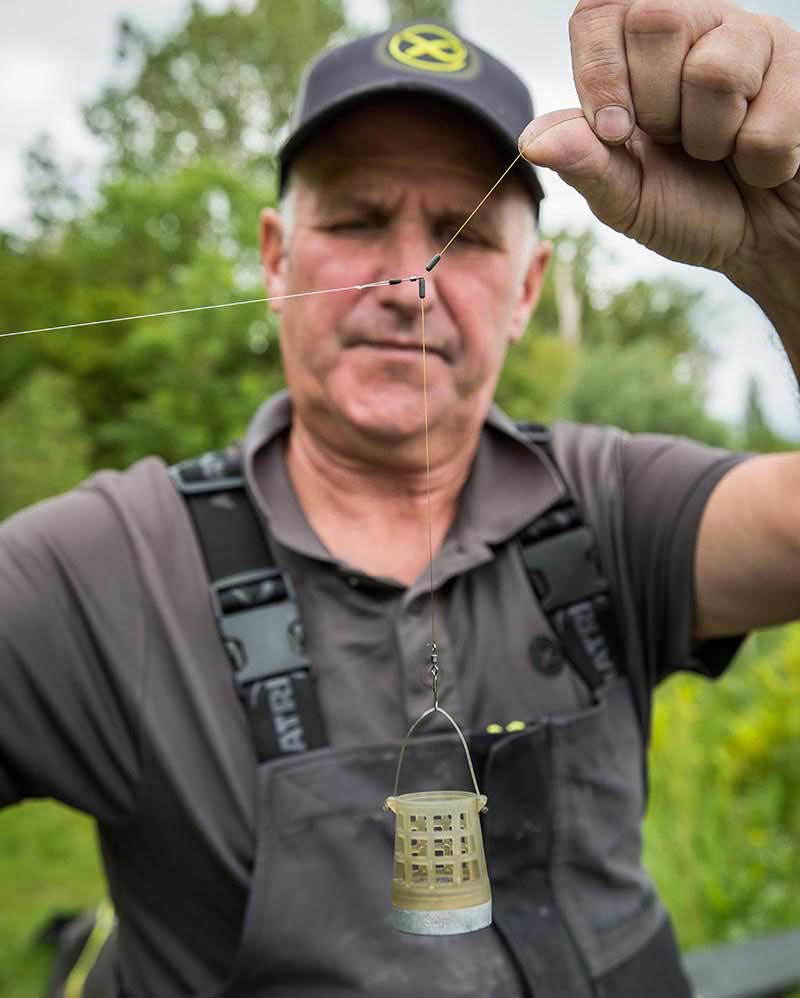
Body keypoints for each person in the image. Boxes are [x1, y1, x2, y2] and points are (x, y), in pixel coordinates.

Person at [3, 4, 800, 997]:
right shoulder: (104, 565)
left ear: (526, 289)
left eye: (462, 233)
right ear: (274, 258)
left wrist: (787, 260)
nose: (405, 280)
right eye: (356, 220)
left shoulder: (612, 500)